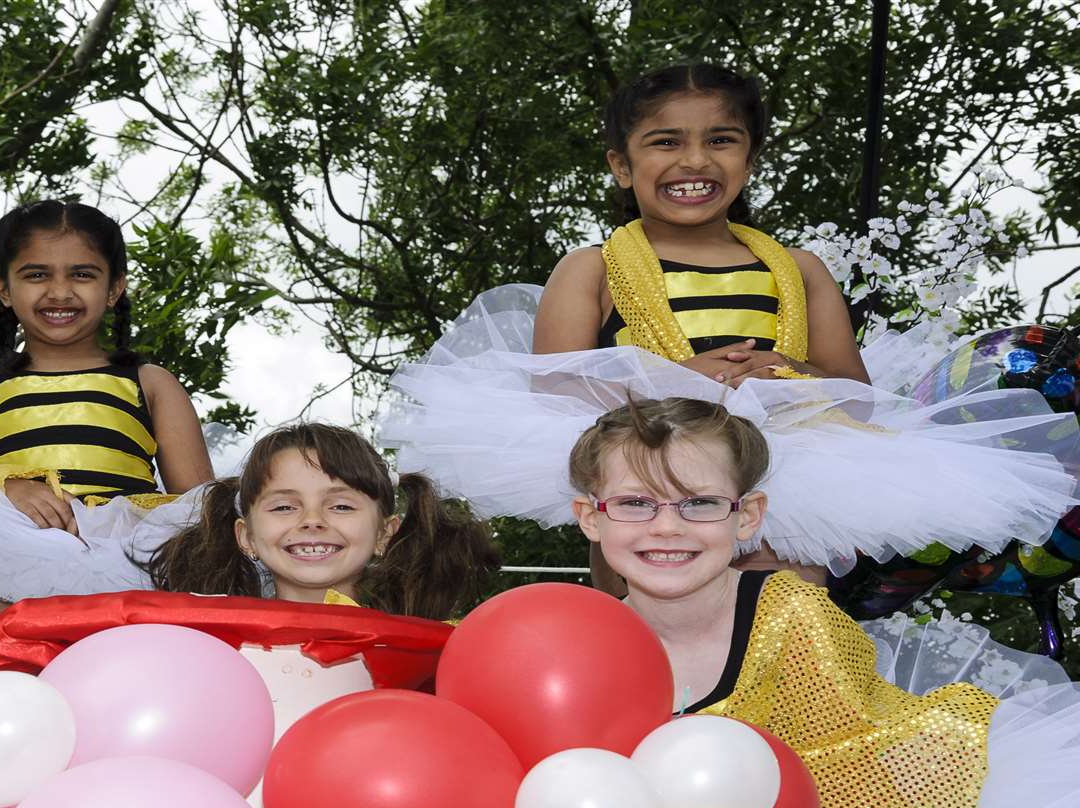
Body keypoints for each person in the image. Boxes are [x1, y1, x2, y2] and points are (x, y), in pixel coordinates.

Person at [380, 64, 1078, 588]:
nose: (693, 161)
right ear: (622, 166)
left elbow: (855, 393)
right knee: (650, 616)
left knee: (787, 622)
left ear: (749, 157)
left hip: (791, 472)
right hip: (643, 471)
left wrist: (788, 372)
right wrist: (675, 380)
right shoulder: (592, 268)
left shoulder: (798, 270)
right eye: (664, 142)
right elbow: (554, 384)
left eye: (721, 139)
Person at [568, 397, 1080, 808]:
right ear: (590, 516)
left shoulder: (790, 611)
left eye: (699, 503)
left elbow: (855, 743)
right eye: (636, 503)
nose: (668, 528)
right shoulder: (576, 642)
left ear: (746, 515)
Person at [0, 199, 214, 629]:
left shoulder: (150, 382)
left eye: (82, 274)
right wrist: (6, 486)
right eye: (36, 274)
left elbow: (200, 506)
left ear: (114, 288)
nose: (60, 292)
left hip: (125, 570)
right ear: (2, 287)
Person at [149, 422, 497, 619]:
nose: (312, 521)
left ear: (384, 534)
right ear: (247, 537)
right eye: (284, 507)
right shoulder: (215, 639)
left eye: (341, 507)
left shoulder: (430, 643)